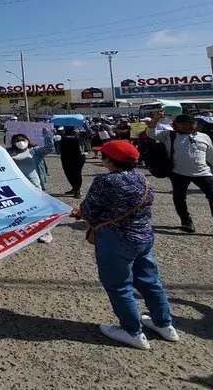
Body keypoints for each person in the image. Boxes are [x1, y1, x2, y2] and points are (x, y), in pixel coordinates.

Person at [76, 140, 178, 350]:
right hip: (144, 237)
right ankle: (165, 325)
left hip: (116, 240)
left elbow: (88, 210)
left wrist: (80, 212)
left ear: (110, 160)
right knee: (150, 281)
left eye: (104, 156)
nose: (103, 159)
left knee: (119, 285)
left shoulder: (105, 181)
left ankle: (131, 331)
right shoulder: (142, 179)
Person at [146, 112, 213, 241]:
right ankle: (186, 222)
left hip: (204, 173)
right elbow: (151, 133)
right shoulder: (168, 136)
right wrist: (155, 120)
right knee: (179, 198)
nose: (188, 126)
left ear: (196, 124)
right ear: (175, 125)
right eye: (183, 124)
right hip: (178, 173)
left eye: (191, 123)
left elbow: (211, 153)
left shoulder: (204, 137)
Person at [7, 129, 56, 243]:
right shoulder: (8, 153)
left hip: (34, 185)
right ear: (13, 142)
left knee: (39, 208)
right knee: (18, 209)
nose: (20, 142)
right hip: (17, 186)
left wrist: (46, 135)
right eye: (17, 140)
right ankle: (21, 230)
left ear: (28, 141)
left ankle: (46, 232)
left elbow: (49, 147)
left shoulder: (34, 151)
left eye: (23, 140)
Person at [59, 126, 86, 197]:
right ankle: (76, 189)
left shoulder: (63, 138)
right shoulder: (78, 136)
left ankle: (76, 189)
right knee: (77, 174)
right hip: (78, 158)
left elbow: (60, 149)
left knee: (69, 174)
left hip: (66, 158)